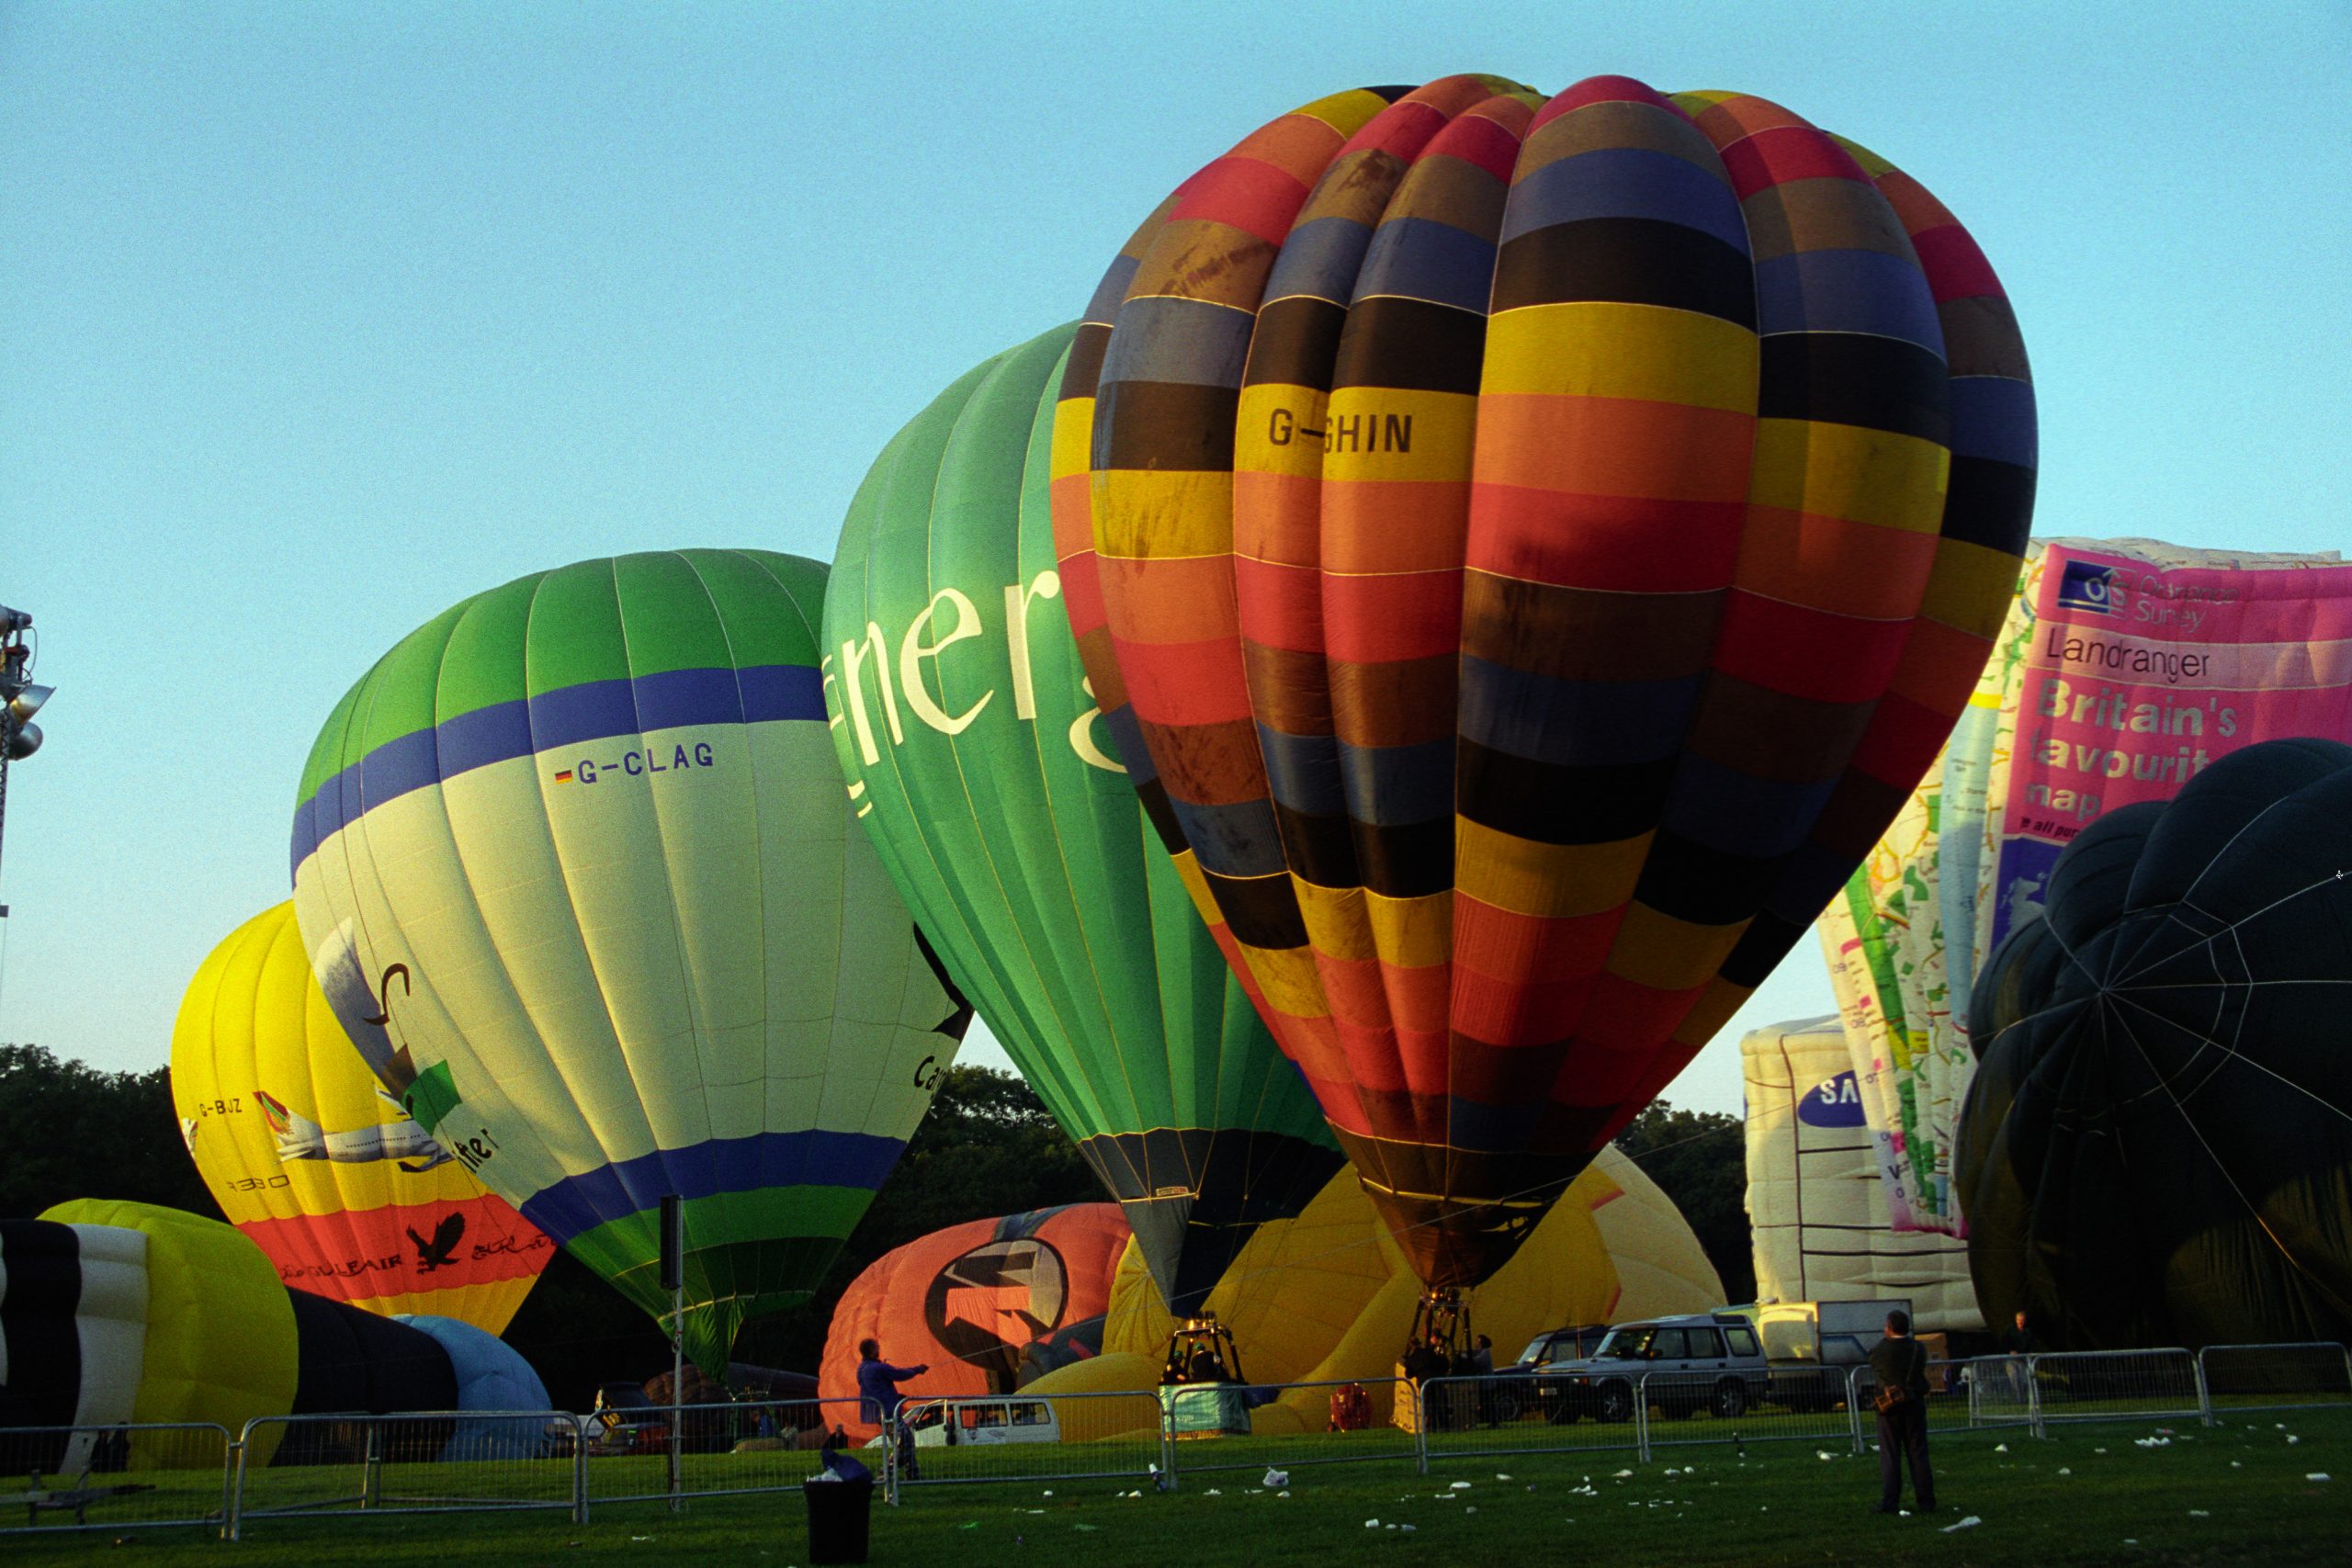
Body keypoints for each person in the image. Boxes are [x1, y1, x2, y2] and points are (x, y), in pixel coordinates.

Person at [1867, 1310, 1936, 1516]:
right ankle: (1926, 1501)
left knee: (1890, 1455)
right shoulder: (1917, 1348)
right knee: (1918, 1455)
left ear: (1889, 1327)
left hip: (1889, 1409)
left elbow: (1872, 1358)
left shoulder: (1880, 1351)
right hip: (1913, 1403)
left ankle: (1890, 1501)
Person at [855, 1337, 929, 1481]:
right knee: (905, 1443)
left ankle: (913, 1474)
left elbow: (878, 1388)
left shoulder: (862, 1369)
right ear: (872, 1351)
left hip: (878, 1412)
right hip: (888, 1412)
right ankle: (886, 1472)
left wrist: (895, 1396)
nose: (879, 1349)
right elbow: (900, 1374)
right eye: (876, 1347)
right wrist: (918, 1369)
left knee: (905, 1441)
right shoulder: (878, 1368)